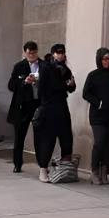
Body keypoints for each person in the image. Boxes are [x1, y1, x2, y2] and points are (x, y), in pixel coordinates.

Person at [34, 44, 76, 182]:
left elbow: (70, 88)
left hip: (62, 106)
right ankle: (43, 169)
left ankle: (65, 169)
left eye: (62, 52)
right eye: (58, 52)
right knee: (47, 139)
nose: (60, 55)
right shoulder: (47, 67)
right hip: (49, 107)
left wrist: (71, 85)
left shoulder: (65, 69)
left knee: (66, 138)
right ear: (53, 54)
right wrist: (65, 85)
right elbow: (51, 86)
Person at [82, 47, 109, 185]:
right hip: (98, 116)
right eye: (105, 59)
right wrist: (97, 103)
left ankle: (104, 172)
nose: (107, 61)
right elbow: (85, 93)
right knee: (99, 143)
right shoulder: (93, 75)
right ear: (99, 60)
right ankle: (94, 172)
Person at [7, 41, 41, 173]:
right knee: (19, 135)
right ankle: (17, 163)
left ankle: (42, 163)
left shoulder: (43, 66)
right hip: (23, 104)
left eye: (33, 53)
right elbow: (11, 85)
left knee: (40, 135)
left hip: (38, 103)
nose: (31, 55)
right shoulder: (19, 66)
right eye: (29, 53)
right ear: (24, 52)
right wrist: (24, 81)